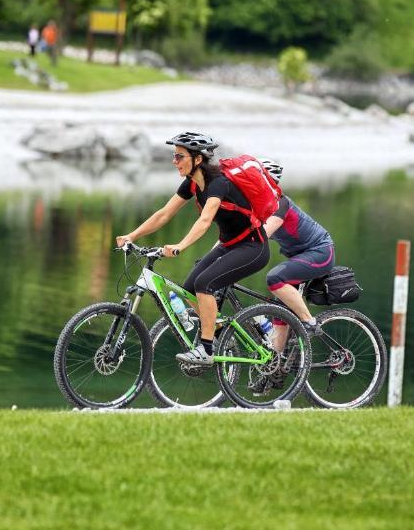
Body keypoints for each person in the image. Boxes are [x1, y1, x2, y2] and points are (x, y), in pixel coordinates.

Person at [115, 132, 271, 366]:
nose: (174, 161)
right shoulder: (191, 184)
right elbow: (164, 214)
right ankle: (218, 332)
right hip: (230, 245)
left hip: (253, 247)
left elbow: (205, 220)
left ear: (197, 159)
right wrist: (132, 235)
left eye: (179, 156)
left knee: (203, 284)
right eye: (174, 156)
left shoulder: (219, 184)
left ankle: (206, 350)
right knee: (188, 289)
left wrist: (180, 246)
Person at [260, 159, 334, 350]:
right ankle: (276, 364)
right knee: (280, 311)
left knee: (275, 277)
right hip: (300, 257)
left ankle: (310, 323)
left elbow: (260, 236)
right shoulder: (258, 208)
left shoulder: (279, 204)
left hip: (320, 251)